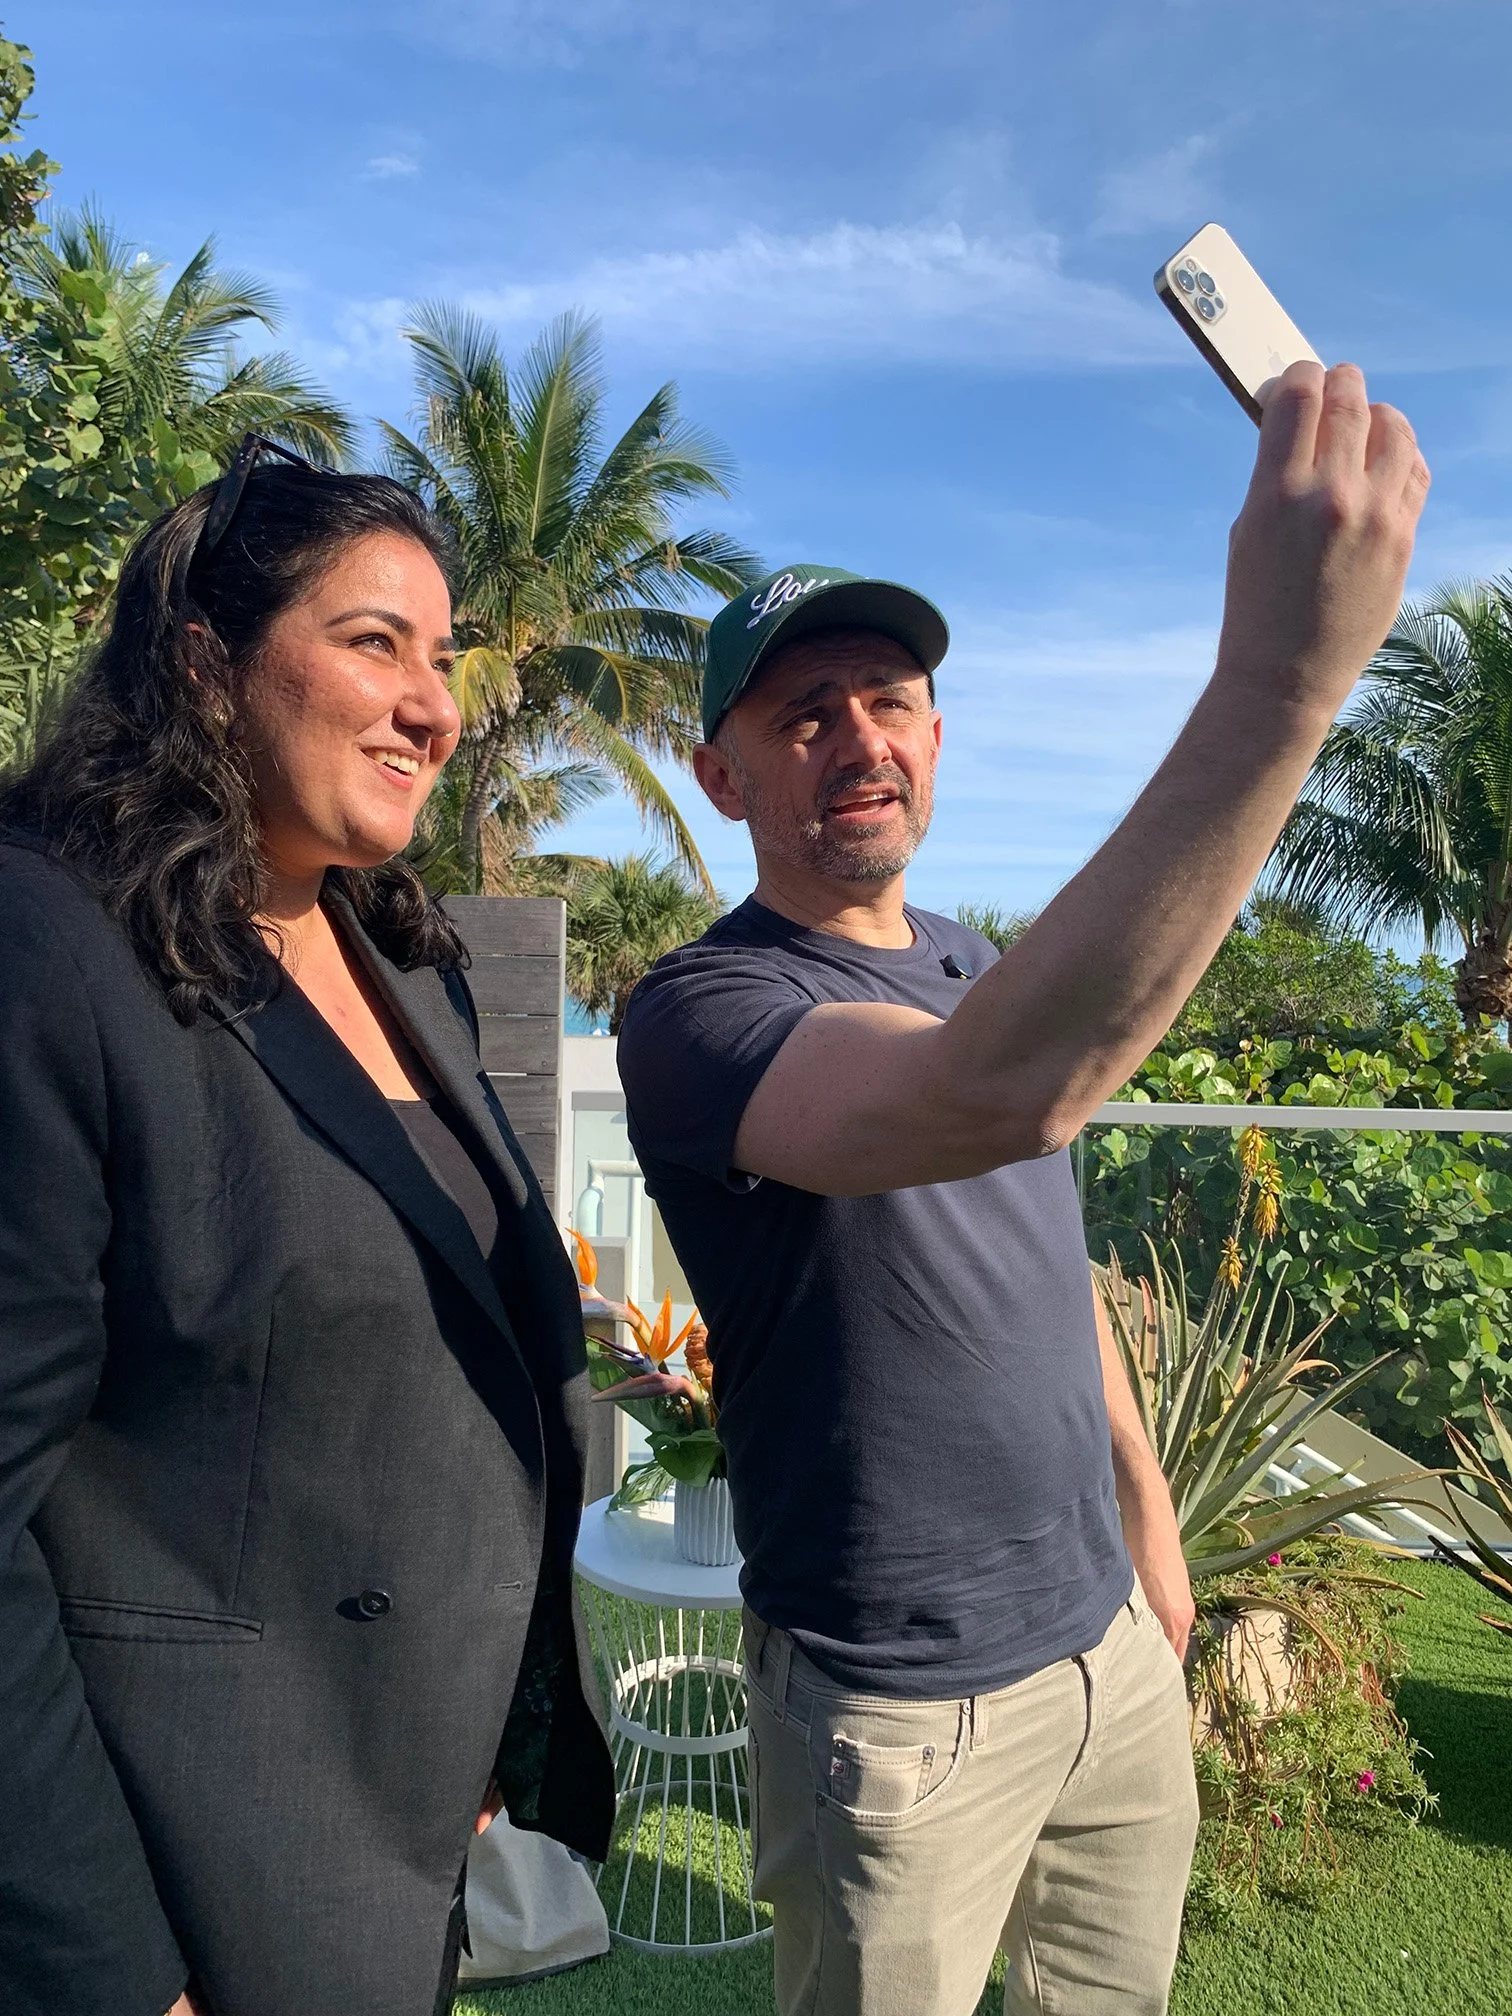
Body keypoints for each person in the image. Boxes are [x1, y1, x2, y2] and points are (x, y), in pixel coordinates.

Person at [616, 361, 1429, 2016]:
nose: (860, 737)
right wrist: (1282, 683)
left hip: (1107, 1650)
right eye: (803, 712)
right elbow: (997, 1096)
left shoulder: (979, 961)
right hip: (897, 1709)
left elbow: (1049, 1263)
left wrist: (1147, 1522)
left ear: (937, 735)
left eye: (889, 699)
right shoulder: (699, 1012)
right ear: (725, 776)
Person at [0, 440, 614, 2016]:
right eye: (371, 642)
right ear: (208, 664)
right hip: (203, 1854)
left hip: (390, 1811)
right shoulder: (50, 948)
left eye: (443, 654)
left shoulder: (405, 960)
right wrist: (111, 1970)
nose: (436, 703)